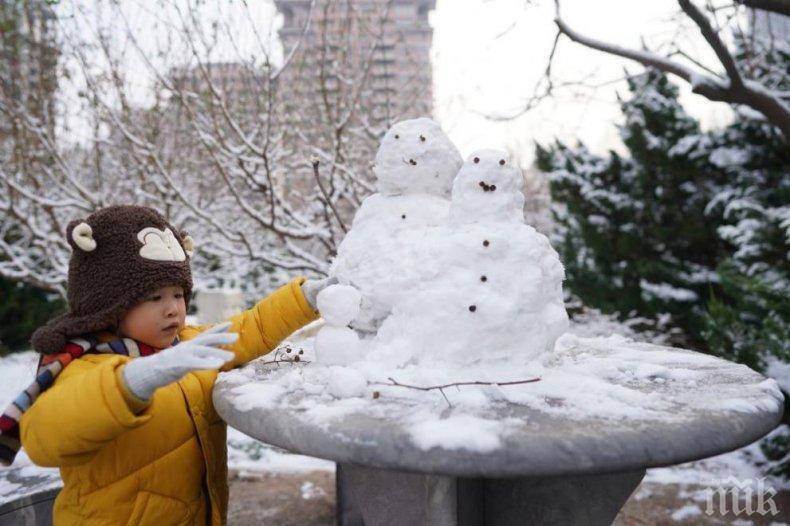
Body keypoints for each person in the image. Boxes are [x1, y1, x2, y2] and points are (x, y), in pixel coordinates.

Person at [0, 205, 332, 525]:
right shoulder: (83, 366)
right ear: (108, 307)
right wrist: (131, 383)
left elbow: (250, 328)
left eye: (178, 294)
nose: (173, 308)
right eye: (155, 297)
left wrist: (306, 298)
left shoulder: (187, 346)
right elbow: (45, 435)